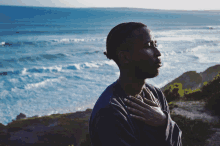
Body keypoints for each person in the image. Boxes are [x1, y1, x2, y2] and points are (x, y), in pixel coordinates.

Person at [89, 22, 182, 146]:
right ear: (125, 57)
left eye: (155, 44)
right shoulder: (109, 112)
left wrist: (164, 122)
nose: (158, 52)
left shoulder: (156, 94)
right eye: (148, 46)